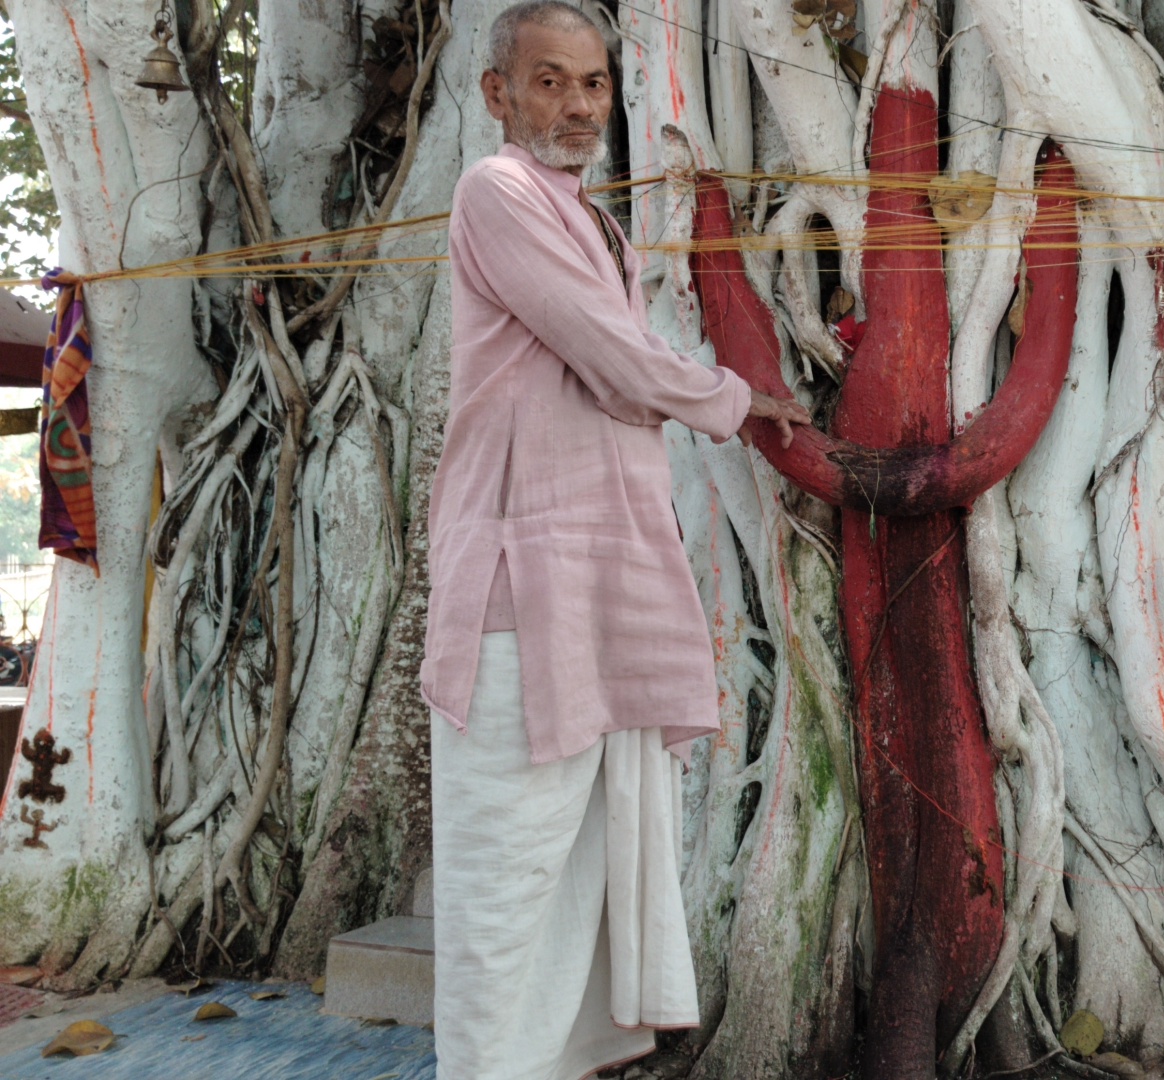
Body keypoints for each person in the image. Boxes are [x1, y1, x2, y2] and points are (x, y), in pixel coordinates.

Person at [417, 4, 809, 1078]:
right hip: (517, 579)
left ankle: (563, 1060)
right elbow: (611, 353)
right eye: (549, 82)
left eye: (593, 83)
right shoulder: (495, 191)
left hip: (595, 576)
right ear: (497, 94)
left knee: (584, 854)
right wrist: (735, 398)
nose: (579, 105)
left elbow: (619, 347)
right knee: (510, 864)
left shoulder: (589, 215)